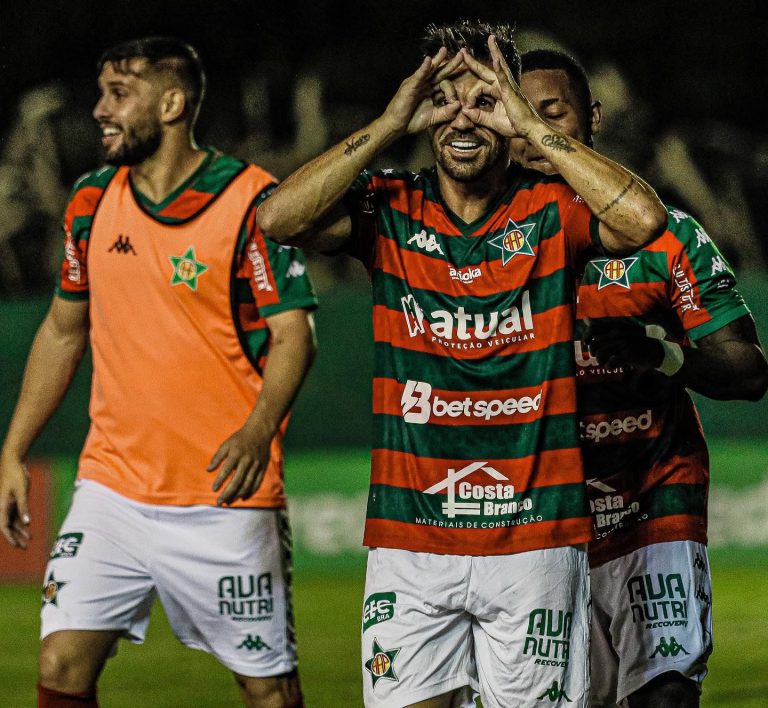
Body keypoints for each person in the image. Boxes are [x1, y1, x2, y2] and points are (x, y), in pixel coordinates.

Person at [256, 18, 668, 708]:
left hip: (535, 538)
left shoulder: (549, 208)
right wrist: (388, 123)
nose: (463, 118)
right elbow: (277, 220)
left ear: (508, 112)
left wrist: (533, 128)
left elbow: (644, 223)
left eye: (484, 101)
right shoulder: (390, 208)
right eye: (447, 99)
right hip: (410, 539)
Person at [0, 37, 317, 708]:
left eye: (119, 94)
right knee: (60, 661)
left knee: (268, 690)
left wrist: (260, 431)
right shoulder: (90, 201)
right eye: (101, 93)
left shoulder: (249, 199)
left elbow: (296, 334)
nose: (98, 111)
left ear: (172, 103)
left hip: (222, 494)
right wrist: (13, 450)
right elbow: (62, 330)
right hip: (112, 488)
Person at [512, 49, 768, 708]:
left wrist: (663, 352)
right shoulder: (480, 247)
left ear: (592, 118)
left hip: (655, 494)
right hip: (540, 513)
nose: (539, 134)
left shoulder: (667, 236)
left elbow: (749, 369)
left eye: (555, 114)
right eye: (523, 117)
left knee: (667, 689)